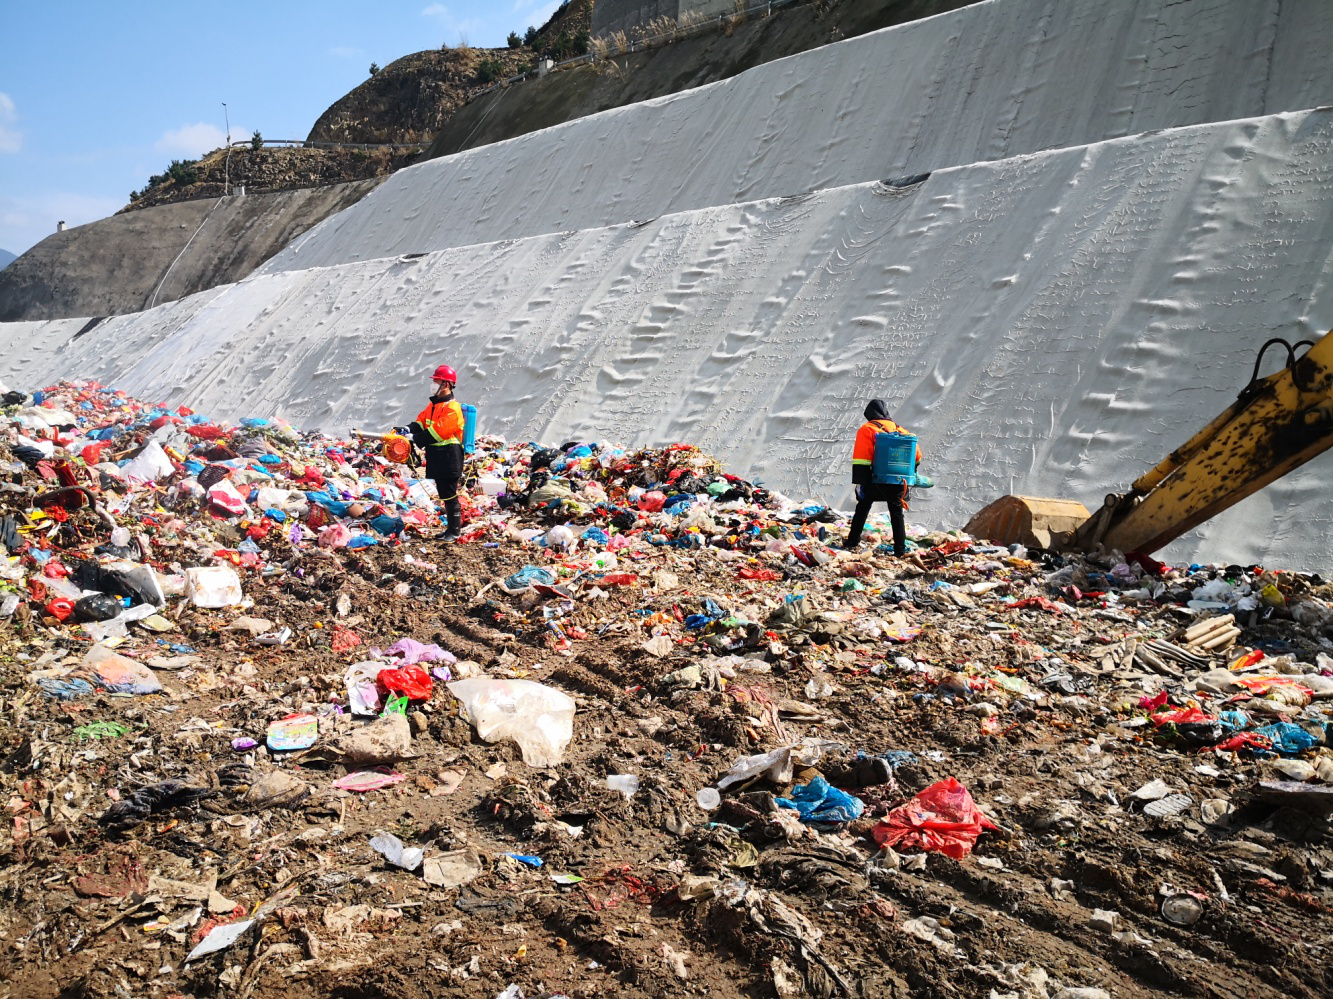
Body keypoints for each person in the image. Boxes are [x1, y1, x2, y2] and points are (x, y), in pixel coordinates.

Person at [844, 399, 920, 554]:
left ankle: (852, 541)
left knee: (863, 508)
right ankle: (900, 549)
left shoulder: (868, 429)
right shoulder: (902, 431)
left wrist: (861, 482)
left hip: (875, 480)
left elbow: (862, 458)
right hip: (898, 481)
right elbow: (917, 456)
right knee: (896, 513)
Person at [409, 364, 465, 542]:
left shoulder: (452, 408)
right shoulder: (433, 406)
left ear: (446, 384)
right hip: (437, 454)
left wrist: (415, 439)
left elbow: (438, 432)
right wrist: (406, 429)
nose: (433, 384)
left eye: (436, 381)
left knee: (449, 493)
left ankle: (455, 531)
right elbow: (421, 423)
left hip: (450, 455)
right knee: (443, 492)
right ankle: (449, 530)